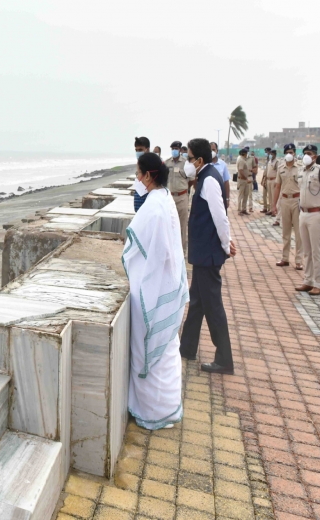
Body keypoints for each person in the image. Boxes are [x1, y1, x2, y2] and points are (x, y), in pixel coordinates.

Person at [122, 152, 187, 429]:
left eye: (139, 173)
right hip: (168, 281)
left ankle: (151, 411)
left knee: (148, 348)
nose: (137, 178)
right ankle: (168, 407)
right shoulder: (165, 197)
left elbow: (136, 241)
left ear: (149, 175)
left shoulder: (153, 206)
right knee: (166, 347)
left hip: (153, 285)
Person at [180, 138, 237, 375]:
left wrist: (226, 244)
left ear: (200, 160)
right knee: (197, 302)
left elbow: (219, 215)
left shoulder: (210, 180)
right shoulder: (203, 177)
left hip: (209, 254)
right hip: (203, 253)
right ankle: (187, 348)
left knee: (213, 307)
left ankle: (224, 359)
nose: (187, 162)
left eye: (189, 157)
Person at [296, 145, 320, 295]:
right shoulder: (302, 171)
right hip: (303, 213)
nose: (306, 156)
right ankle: (308, 280)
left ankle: (319, 283)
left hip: (315, 213)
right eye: (304, 153)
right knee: (307, 250)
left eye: (309, 153)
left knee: (316, 250)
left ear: (315, 156)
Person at [275, 144, 304, 269]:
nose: (289, 154)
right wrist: (273, 205)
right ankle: (285, 258)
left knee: (298, 232)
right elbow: (277, 186)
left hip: (297, 200)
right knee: (285, 231)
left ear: (294, 153)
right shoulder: (281, 168)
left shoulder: (301, 168)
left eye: (291, 152)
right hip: (285, 200)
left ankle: (299, 260)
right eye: (287, 152)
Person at [166, 140, 194, 256]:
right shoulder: (167, 163)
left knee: (182, 225)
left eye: (176, 149)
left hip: (182, 196)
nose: (174, 150)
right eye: (172, 148)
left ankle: (181, 251)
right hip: (170, 197)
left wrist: (185, 189)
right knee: (169, 224)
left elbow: (192, 179)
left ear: (180, 149)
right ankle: (170, 250)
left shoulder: (186, 163)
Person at [210, 142, 230, 208]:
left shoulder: (223, 164)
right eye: (210, 150)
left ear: (217, 151)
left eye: (213, 150)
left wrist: (227, 198)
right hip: (208, 195)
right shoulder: (205, 164)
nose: (211, 152)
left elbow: (226, 182)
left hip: (220, 195)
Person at [134, 137, 152, 212]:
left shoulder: (152, 164)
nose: (138, 152)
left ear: (147, 149)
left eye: (140, 150)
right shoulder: (139, 163)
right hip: (139, 199)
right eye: (136, 150)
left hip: (147, 199)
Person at [261, 148, 280, 214]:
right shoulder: (269, 161)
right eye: (270, 154)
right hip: (268, 180)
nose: (270, 155)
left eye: (271, 154)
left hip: (274, 180)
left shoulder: (277, 162)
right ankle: (271, 209)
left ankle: (274, 210)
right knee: (270, 196)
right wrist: (264, 180)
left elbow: (278, 172)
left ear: (274, 154)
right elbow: (266, 171)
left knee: (274, 195)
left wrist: (277, 181)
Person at [236, 147, 252, 215]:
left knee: (246, 195)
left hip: (244, 180)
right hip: (242, 180)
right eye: (246, 153)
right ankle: (240, 209)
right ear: (244, 154)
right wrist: (246, 178)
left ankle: (244, 209)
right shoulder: (241, 160)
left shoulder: (243, 160)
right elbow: (240, 170)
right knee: (241, 195)